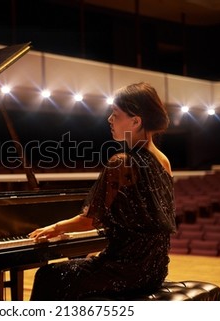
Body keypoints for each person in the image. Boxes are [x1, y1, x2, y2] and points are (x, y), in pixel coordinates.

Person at [28, 82, 177, 300]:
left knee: (48, 275)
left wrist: (55, 227)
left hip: (127, 271)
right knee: (82, 264)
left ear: (135, 121)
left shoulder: (121, 163)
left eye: (115, 114)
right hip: (154, 270)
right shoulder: (163, 160)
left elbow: (88, 221)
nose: (109, 119)